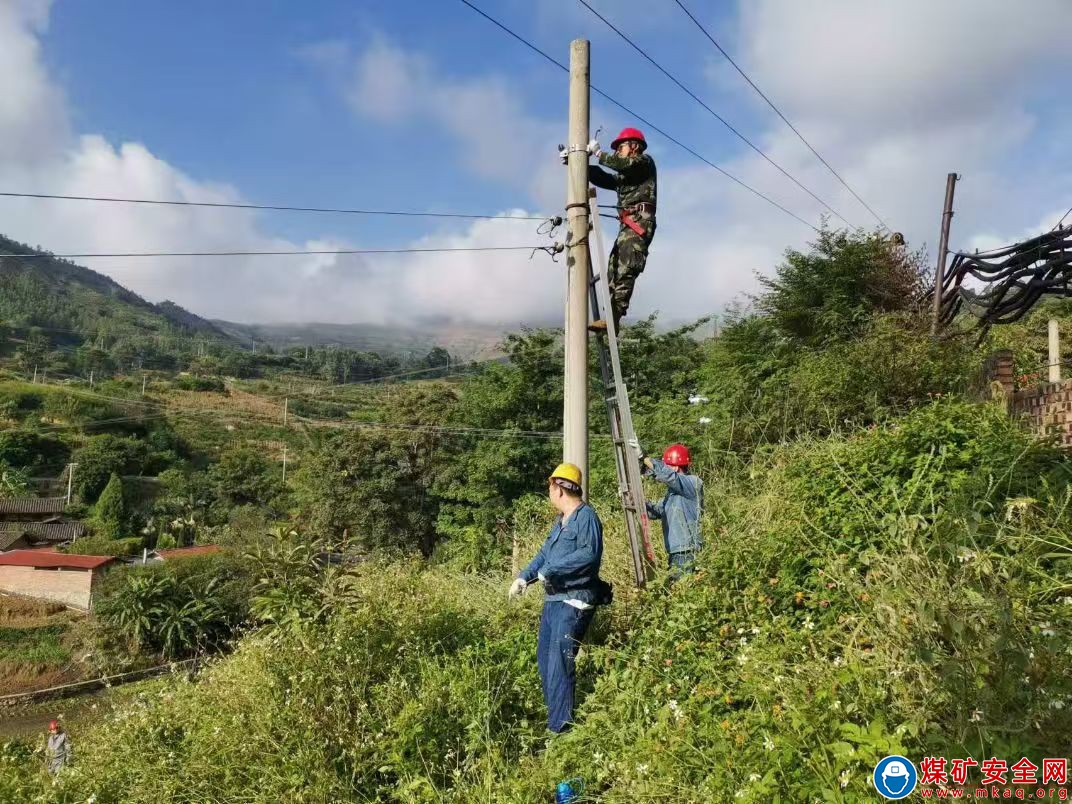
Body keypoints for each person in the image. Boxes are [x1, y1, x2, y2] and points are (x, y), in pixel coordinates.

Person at [508, 462, 605, 733]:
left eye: (550, 487)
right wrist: (524, 577)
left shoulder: (586, 517)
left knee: (560, 666)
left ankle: (561, 731)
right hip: (553, 601)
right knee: (546, 663)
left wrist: (549, 571)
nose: (549, 493)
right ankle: (555, 724)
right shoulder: (560, 521)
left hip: (573, 601)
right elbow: (544, 555)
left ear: (558, 489)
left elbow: (589, 555)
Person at [586, 127, 657, 332]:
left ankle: (613, 320)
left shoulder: (644, 162)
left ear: (634, 147)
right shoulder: (627, 176)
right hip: (628, 225)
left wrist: (599, 153)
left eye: (620, 147)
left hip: (639, 224)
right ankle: (610, 317)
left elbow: (624, 164)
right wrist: (577, 164)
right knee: (613, 270)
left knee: (626, 269)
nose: (617, 151)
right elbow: (606, 178)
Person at [630, 440, 703, 577]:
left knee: (683, 592)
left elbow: (669, 476)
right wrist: (636, 501)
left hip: (686, 552)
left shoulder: (692, 484)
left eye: (667, 465)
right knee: (677, 591)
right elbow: (658, 510)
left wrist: (643, 458)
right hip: (677, 552)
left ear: (675, 468)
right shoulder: (673, 493)